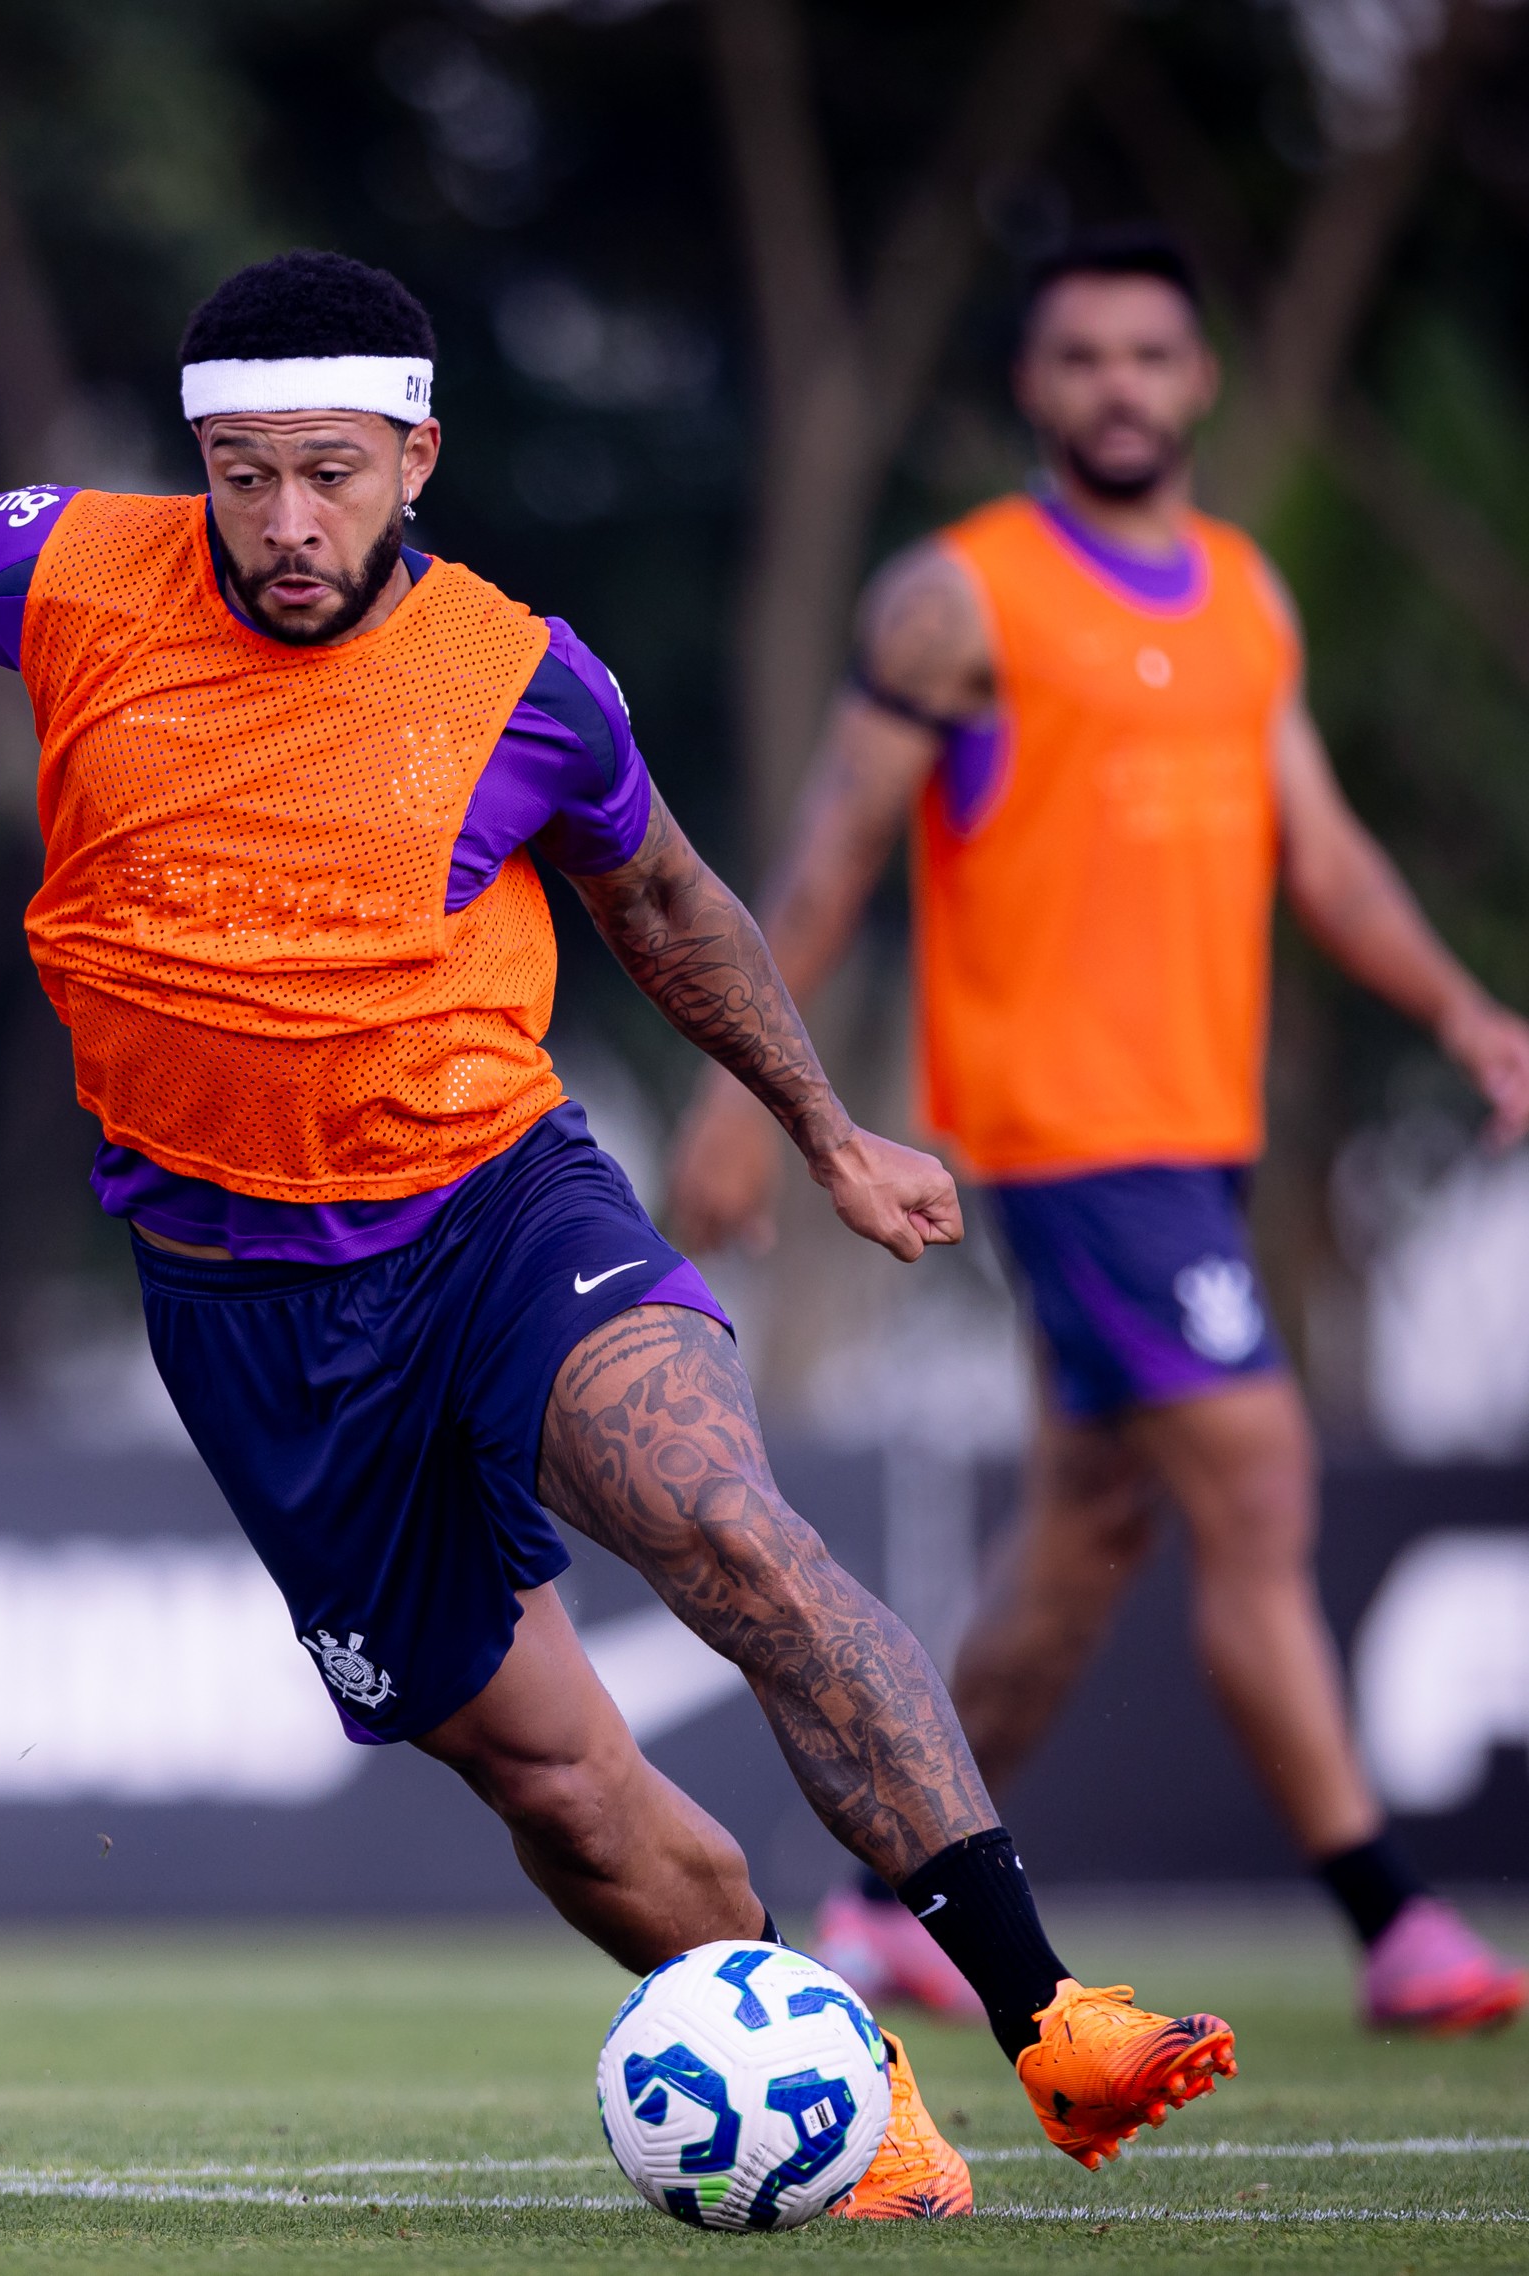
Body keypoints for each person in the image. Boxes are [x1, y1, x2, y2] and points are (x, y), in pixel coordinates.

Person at [0, 248, 1240, 2222]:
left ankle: (1050, 2016)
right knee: (557, 1784)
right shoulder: (63, 572)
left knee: (732, 1531)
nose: (289, 522)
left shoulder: (521, 680)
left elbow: (673, 908)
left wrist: (824, 1129)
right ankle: (833, 2082)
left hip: (496, 1207)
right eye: (248, 473)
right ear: (196, 461)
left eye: (337, 473)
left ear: (418, 454)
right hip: (246, 1311)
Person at [665, 226, 1529, 2039]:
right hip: (1069, 1139)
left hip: (1193, 1135)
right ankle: (1390, 1923)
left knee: (1081, 1551)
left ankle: (892, 1904)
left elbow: (1331, 855)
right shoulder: (958, 599)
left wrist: (1462, 1012)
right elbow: (826, 860)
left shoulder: (1244, 598)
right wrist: (747, 1103)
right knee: (1263, 1486)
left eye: (1151, 355)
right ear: (1033, 391)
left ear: (1199, 379)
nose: (1119, 388)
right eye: (1082, 360)